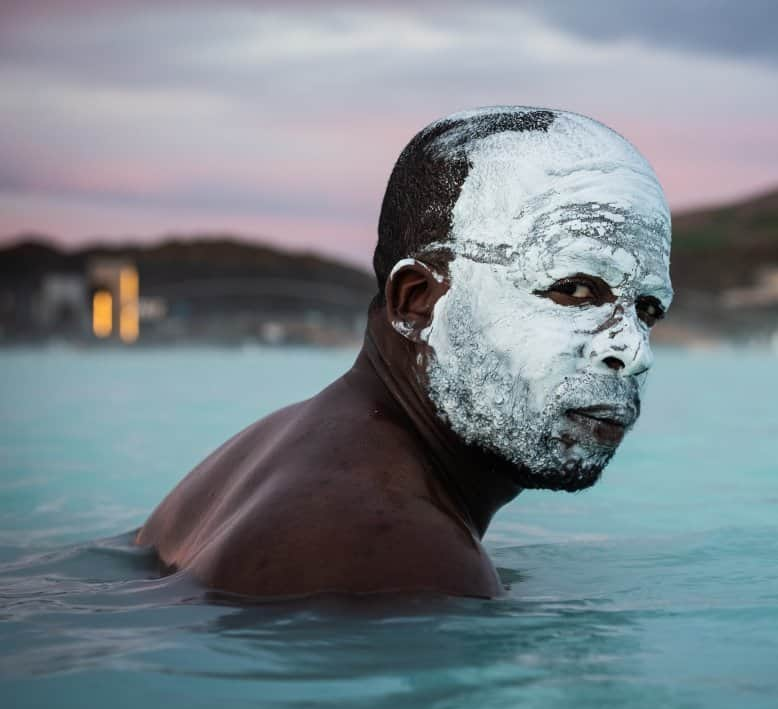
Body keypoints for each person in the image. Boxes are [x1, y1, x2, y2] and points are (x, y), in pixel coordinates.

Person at [135, 106, 674, 598]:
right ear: (417, 302)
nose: (634, 352)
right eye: (575, 290)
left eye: (648, 309)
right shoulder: (392, 549)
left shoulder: (286, 451)